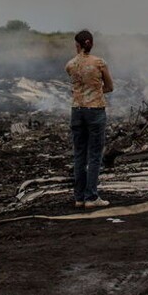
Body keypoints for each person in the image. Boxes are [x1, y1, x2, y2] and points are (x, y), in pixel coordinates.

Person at [65, 29, 114, 209]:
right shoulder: (99, 63)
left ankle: (79, 197)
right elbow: (109, 86)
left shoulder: (70, 65)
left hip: (76, 111)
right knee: (94, 155)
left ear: (77, 45)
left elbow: (75, 87)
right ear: (91, 43)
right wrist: (98, 91)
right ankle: (91, 196)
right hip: (94, 110)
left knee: (79, 154)